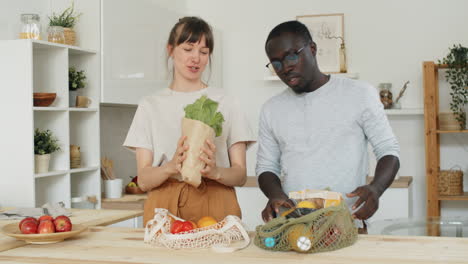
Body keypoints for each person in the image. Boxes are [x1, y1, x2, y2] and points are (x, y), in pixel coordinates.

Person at [256, 21, 400, 232]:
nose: (285, 68)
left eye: (291, 56)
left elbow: (388, 150)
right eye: (276, 63)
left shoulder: (359, 94)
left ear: (312, 49)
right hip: (295, 228)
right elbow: (266, 167)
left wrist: (376, 189)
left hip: (347, 226)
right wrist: (275, 195)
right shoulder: (271, 109)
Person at [124, 17, 255, 225]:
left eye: (203, 52)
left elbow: (240, 175)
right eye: (188, 49)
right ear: (171, 50)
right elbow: (144, 179)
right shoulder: (149, 105)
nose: (196, 58)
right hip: (164, 204)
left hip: (216, 200)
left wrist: (216, 172)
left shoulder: (227, 103)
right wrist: (171, 166)